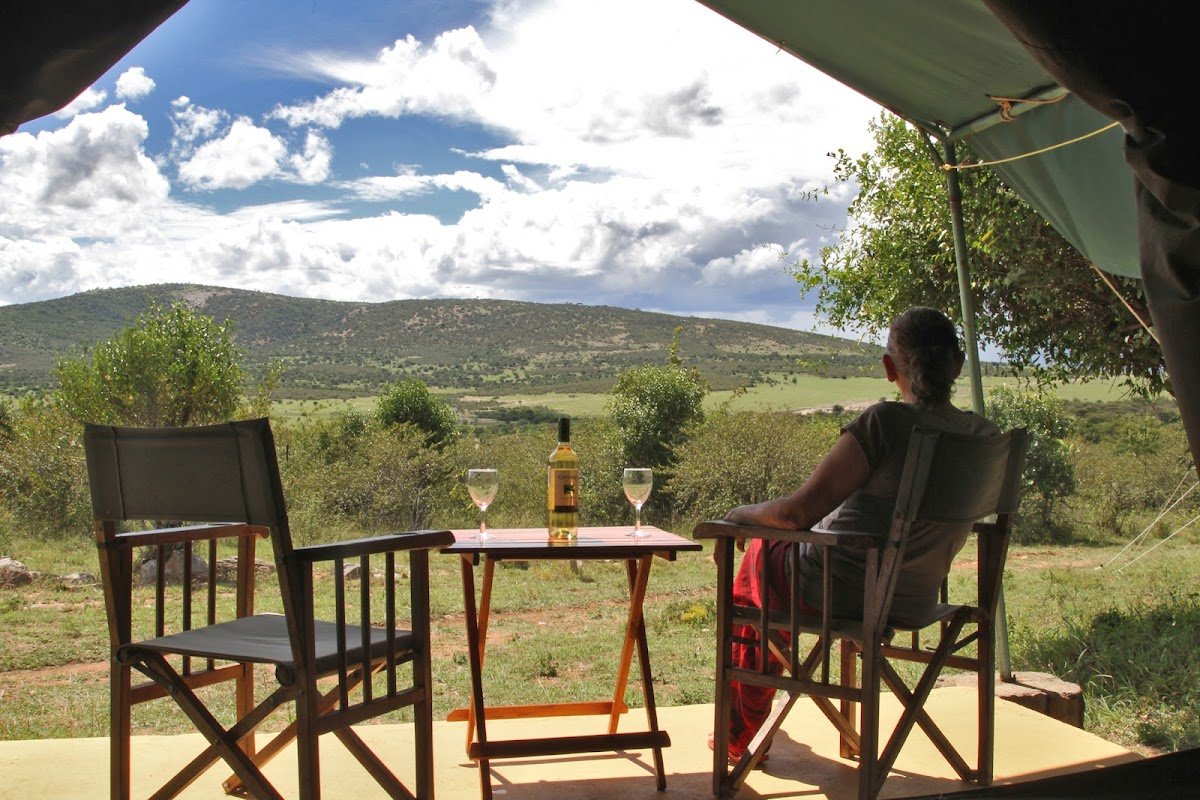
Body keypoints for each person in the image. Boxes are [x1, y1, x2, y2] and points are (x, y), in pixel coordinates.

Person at [715, 306, 999, 761]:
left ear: (890, 367)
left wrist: (737, 517)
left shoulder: (885, 423)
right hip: (915, 599)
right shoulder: (983, 436)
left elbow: (797, 513)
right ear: (957, 365)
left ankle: (740, 731)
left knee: (760, 553)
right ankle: (767, 725)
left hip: (839, 592)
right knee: (778, 558)